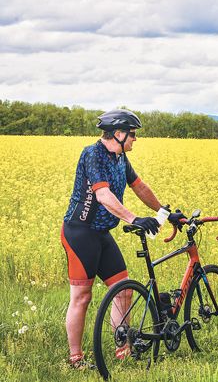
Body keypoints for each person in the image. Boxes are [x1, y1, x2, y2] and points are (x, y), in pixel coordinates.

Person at [60, 109, 183, 369]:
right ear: (118, 134)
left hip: (101, 234)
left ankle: (122, 349)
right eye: (133, 135)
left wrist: (164, 213)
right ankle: (75, 359)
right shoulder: (92, 154)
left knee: (124, 290)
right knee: (82, 295)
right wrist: (134, 219)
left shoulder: (120, 159)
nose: (135, 139)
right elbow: (103, 195)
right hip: (80, 232)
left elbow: (139, 187)